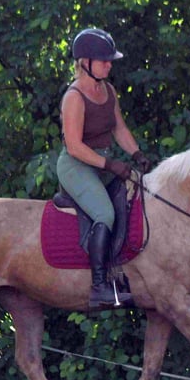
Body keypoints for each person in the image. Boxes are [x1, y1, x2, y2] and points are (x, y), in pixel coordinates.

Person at [56, 27, 152, 309]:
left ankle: (121, 274)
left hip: (102, 162)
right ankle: (99, 286)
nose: (110, 64)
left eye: (110, 60)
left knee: (136, 198)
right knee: (105, 213)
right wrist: (111, 164)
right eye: (105, 60)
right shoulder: (73, 97)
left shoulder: (108, 90)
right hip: (76, 165)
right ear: (85, 62)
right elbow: (74, 146)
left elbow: (119, 128)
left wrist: (136, 153)